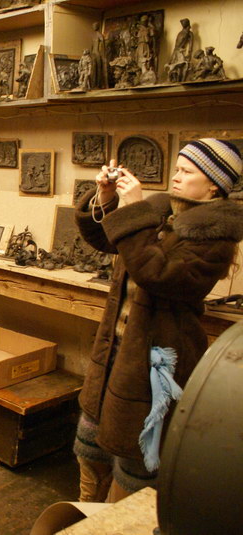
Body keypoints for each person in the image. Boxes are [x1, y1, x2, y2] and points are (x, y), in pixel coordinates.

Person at [73, 138, 243, 503]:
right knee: (90, 451)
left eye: (187, 171)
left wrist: (134, 210)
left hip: (155, 362)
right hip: (116, 349)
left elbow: (157, 273)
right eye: (177, 168)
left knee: (133, 466)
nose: (176, 177)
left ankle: (115, 522)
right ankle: (84, 516)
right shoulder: (161, 211)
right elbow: (107, 239)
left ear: (214, 185)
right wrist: (106, 198)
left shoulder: (216, 236)